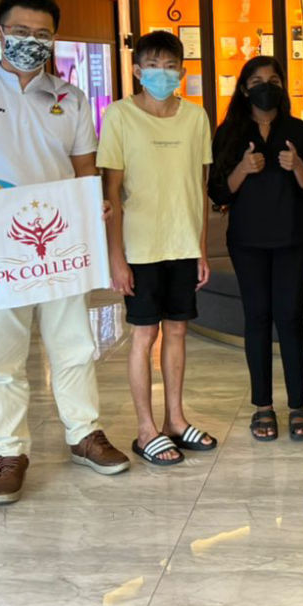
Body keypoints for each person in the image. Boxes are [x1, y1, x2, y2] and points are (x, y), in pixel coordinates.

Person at [0, 0, 129, 506]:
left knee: (74, 345)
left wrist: (95, 205)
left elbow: (84, 169)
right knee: (3, 355)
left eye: (42, 34)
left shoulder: (71, 99)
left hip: (61, 241)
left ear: (53, 39)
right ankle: (9, 452)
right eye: (20, 31)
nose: (30, 42)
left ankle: (84, 434)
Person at [98, 31, 217, 466]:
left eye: (170, 67)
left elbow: (198, 188)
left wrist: (201, 249)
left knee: (178, 331)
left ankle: (175, 421)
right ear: (137, 71)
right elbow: (111, 192)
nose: (161, 74)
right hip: (140, 247)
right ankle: (146, 429)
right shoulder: (119, 115)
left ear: (182, 71)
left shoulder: (196, 117)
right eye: (153, 66)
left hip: (182, 244)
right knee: (144, 335)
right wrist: (116, 258)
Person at [209, 56, 303, 442]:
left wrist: (298, 165)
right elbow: (218, 192)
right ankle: (262, 405)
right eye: (257, 81)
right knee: (257, 318)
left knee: (290, 318)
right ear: (244, 89)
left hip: (292, 239)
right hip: (247, 242)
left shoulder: (298, 130)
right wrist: (242, 168)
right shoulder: (229, 133)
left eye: (273, 80)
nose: (265, 87)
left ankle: (298, 404)